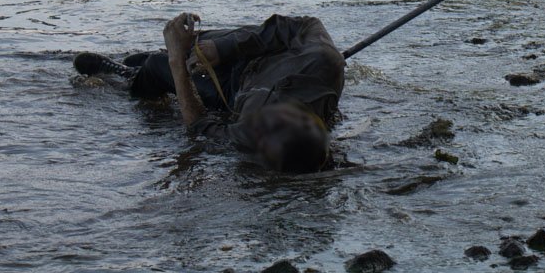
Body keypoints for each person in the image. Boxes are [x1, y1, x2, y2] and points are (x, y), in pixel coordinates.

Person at [74, 13, 345, 173]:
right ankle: (182, 53)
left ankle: (128, 76)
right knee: (199, 42)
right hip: (255, 55)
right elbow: (301, 25)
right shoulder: (325, 59)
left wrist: (176, 62)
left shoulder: (249, 134)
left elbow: (198, 125)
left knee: (157, 65)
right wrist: (224, 48)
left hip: (231, 90)